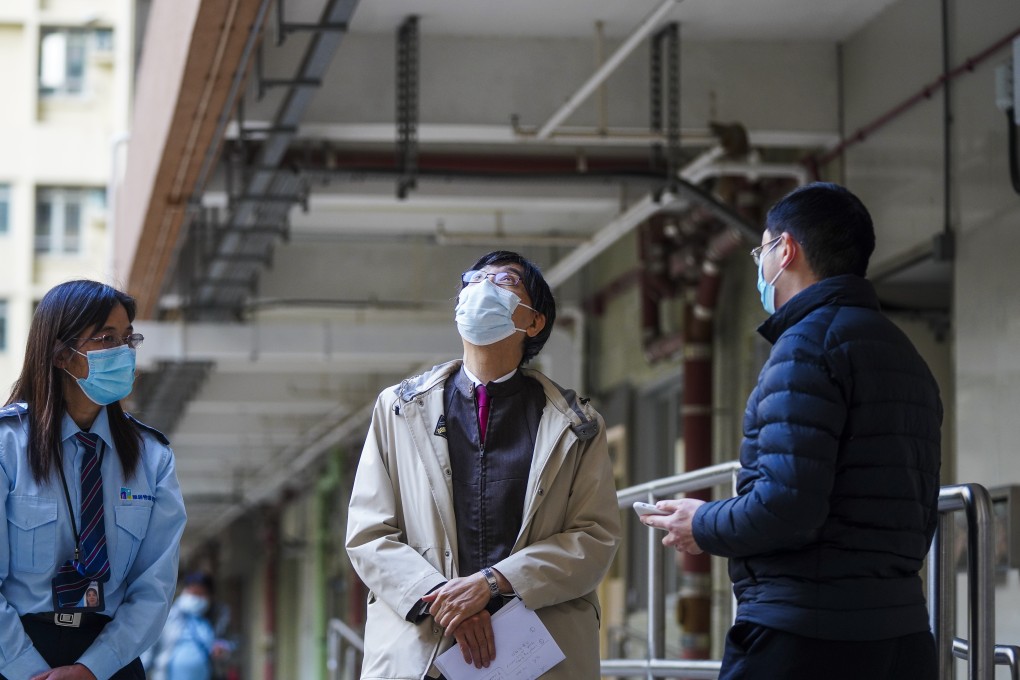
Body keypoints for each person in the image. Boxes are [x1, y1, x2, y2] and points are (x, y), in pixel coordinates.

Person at [640, 183, 943, 680]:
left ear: (787, 250)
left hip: (807, 636)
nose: (760, 265)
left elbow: (789, 505)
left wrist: (703, 523)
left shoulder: (806, 347)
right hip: (901, 639)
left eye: (763, 250)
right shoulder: (905, 355)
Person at [346, 251, 621, 678]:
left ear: (533, 322)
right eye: (474, 280)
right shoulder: (399, 410)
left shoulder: (575, 426)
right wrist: (448, 601)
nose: (483, 288)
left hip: (535, 653)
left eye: (506, 281)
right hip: (424, 647)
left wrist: (490, 583)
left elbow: (594, 538)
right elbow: (369, 533)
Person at [0, 280, 187, 680]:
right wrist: (26, 670)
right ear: (61, 353)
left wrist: (91, 669)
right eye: (106, 338)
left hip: (110, 660)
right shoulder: (7, 448)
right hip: (14, 653)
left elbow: (154, 587)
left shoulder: (152, 457)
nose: (124, 352)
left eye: (128, 339)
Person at [143, 572, 217, 680]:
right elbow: (149, 647)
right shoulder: (168, 616)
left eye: (201, 594)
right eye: (194, 593)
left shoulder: (208, 621)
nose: (196, 599)